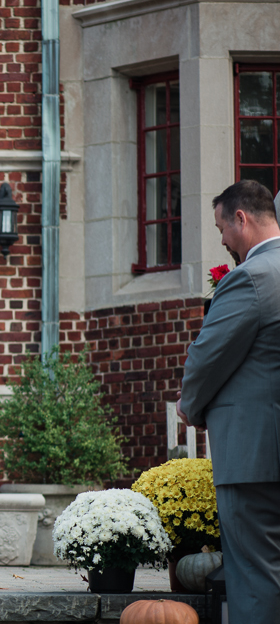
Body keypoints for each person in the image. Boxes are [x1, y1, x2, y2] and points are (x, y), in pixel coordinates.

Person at [178, 180, 280, 624]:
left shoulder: (253, 278)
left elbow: (207, 355)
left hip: (254, 455)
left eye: (221, 226)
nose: (221, 239)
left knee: (254, 578)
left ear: (242, 218)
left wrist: (189, 405)